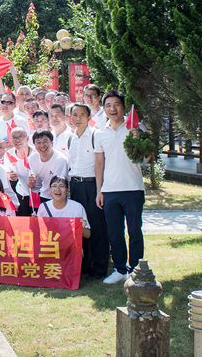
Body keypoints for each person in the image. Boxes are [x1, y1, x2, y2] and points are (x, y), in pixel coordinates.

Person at [95, 90, 146, 285]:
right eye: (108, 105)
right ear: (104, 109)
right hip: (110, 190)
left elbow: (148, 156)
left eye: (116, 104)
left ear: (124, 107)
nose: (112, 108)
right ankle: (119, 269)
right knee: (115, 233)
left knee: (134, 231)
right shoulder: (100, 133)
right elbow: (99, 164)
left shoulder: (136, 128)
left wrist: (139, 140)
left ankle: (136, 269)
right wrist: (99, 191)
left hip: (133, 188)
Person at [65, 102, 109, 279]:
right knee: (80, 226)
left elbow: (100, 164)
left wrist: (99, 191)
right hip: (75, 186)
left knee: (97, 226)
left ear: (89, 117)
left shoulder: (95, 135)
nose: (78, 118)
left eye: (82, 115)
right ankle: (85, 264)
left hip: (92, 185)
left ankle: (100, 267)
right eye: (75, 115)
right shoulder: (70, 138)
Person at [29, 129, 70, 206]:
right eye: (38, 142)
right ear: (34, 145)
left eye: (45, 141)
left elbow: (60, 186)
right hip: (43, 196)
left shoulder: (60, 160)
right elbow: (35, 186)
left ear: (52, 143)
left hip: (59, 197)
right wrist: (31, 183)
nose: (42, 145)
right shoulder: (33, 158)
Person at [3, 127, 35, 216]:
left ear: (27, 138)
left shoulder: (36, 153)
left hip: (37, 193)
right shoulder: (9, 154)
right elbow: (7, 172)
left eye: (20, 137)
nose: (17, 140)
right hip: (22, 193)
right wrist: (10, 176)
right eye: (14, 137)